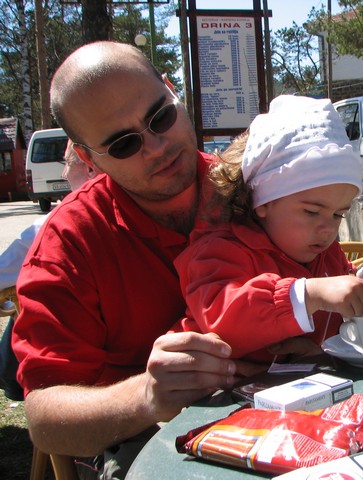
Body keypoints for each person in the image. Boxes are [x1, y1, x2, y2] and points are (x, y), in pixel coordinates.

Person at [10, 41, 251, 479]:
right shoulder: (70, 242)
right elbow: (44, 420)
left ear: (172, 90)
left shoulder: (251, 188)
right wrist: (146, 397)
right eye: (123, 144)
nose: (156, 146)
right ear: (87, 157)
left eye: (160, 117)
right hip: (141, 444)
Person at [174, 95, 363, 364]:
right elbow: (222, 320)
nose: (327, 229)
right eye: (311, 212)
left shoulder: (326, 255)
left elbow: (346, 305)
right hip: (217, 386)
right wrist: (309, 294)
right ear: (263, 201)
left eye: (338, 215)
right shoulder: (217, 252)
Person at [0, 143, 99, 401]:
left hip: (76, 362)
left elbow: (2, 273)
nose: (64, 174)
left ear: (89, 167)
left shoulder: (54, 224)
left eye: (67, 164)